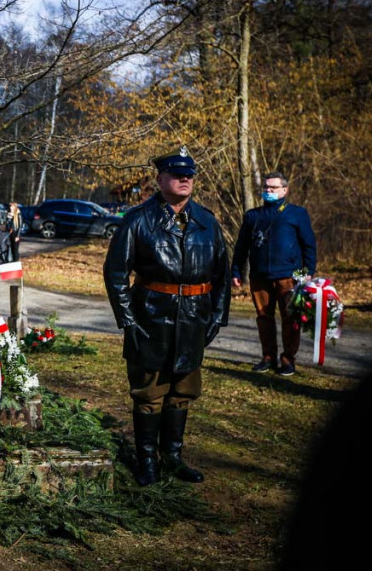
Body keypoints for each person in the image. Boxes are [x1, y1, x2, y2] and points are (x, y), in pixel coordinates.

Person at [103, 146, 230, 486]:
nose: (185, 178)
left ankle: (172, 457)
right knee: (149, 393)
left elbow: (221, 274)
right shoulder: (138, 219)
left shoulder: (207, 222)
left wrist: (217, 315)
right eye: (177, 174)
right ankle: (147, 461)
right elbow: (116, 274)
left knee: (183, 390)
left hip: (193, 319)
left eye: (189, 174)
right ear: (160, 179)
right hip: (151, 319)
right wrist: (128, 321)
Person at [231, 171, 317, 377]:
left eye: (273, 188)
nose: (268, 191)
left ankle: (288, 360)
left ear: (284, 190)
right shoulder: (253, 216)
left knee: (290, 318)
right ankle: (268, 357)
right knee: (263, 317)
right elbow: (241, 246)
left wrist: (308, 272)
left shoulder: (297, 214)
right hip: (259, 276)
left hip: (289, 277)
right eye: (266, 188)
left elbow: (309, 245)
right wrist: (236, 270)